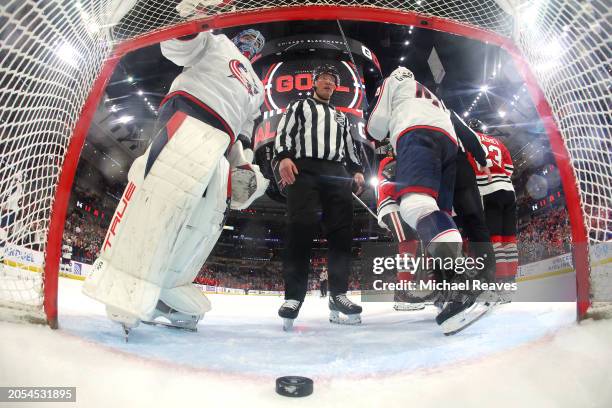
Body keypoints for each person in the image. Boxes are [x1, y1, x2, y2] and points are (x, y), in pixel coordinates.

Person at [82, 28, 268, 337]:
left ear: (258, 53)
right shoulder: (216, 41)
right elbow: (179, 49)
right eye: (249, 36)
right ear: (238, 38)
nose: (252, 42)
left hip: (222, 141)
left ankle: (169, 292)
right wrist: (193, 23)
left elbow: (245, 128)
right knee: (162, 194)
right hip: (191, 111)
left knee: (206, 220)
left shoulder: (258, 88)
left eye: (257, 42)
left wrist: (243, 165)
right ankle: (125, 282)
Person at [366, 66, 495, 335]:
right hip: (448, 143)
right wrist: (482, 158)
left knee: (416, 206)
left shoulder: (394, 81)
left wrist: (379, 129)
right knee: (438, 217)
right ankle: (453, 289)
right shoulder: (431, 95)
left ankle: (462, 281)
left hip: (417, 133)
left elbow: (376, 126)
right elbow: (465, 132)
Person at [274, 64, 365, 329]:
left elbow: (349, 146)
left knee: (342, 232)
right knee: (300, 227)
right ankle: (293, 297)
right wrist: (284, 157)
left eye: (332, 81)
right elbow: (285, 132)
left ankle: (338, 295)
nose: (328, 83)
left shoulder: (340, 116)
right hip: (305, 169)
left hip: (336, 172)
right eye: (324, 79)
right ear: (314, 83)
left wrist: (357, 170)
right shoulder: (299, 106)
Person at [466, 120, 517, 302]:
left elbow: (469, 171)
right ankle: (510, 282)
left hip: (487, 191)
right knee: (509, 239)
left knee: (495, 240)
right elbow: (510, 168)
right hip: (508, 191)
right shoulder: (499, 143)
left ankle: (501, 284)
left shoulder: (469, 141)